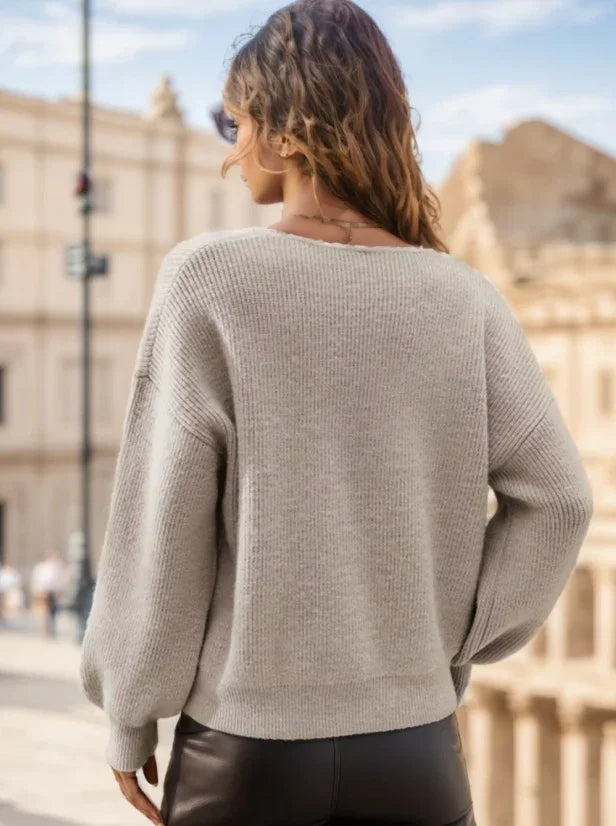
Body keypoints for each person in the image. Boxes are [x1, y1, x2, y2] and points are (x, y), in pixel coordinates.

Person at [79, 1, 594, 825]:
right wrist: (452, 646)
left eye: (236, 121)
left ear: (287, 132)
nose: (231, 147)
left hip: (246, 758)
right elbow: (559, 500)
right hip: (416, 755)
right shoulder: (464, 297)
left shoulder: (208, 279)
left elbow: (162, 523)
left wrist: (129, 711)